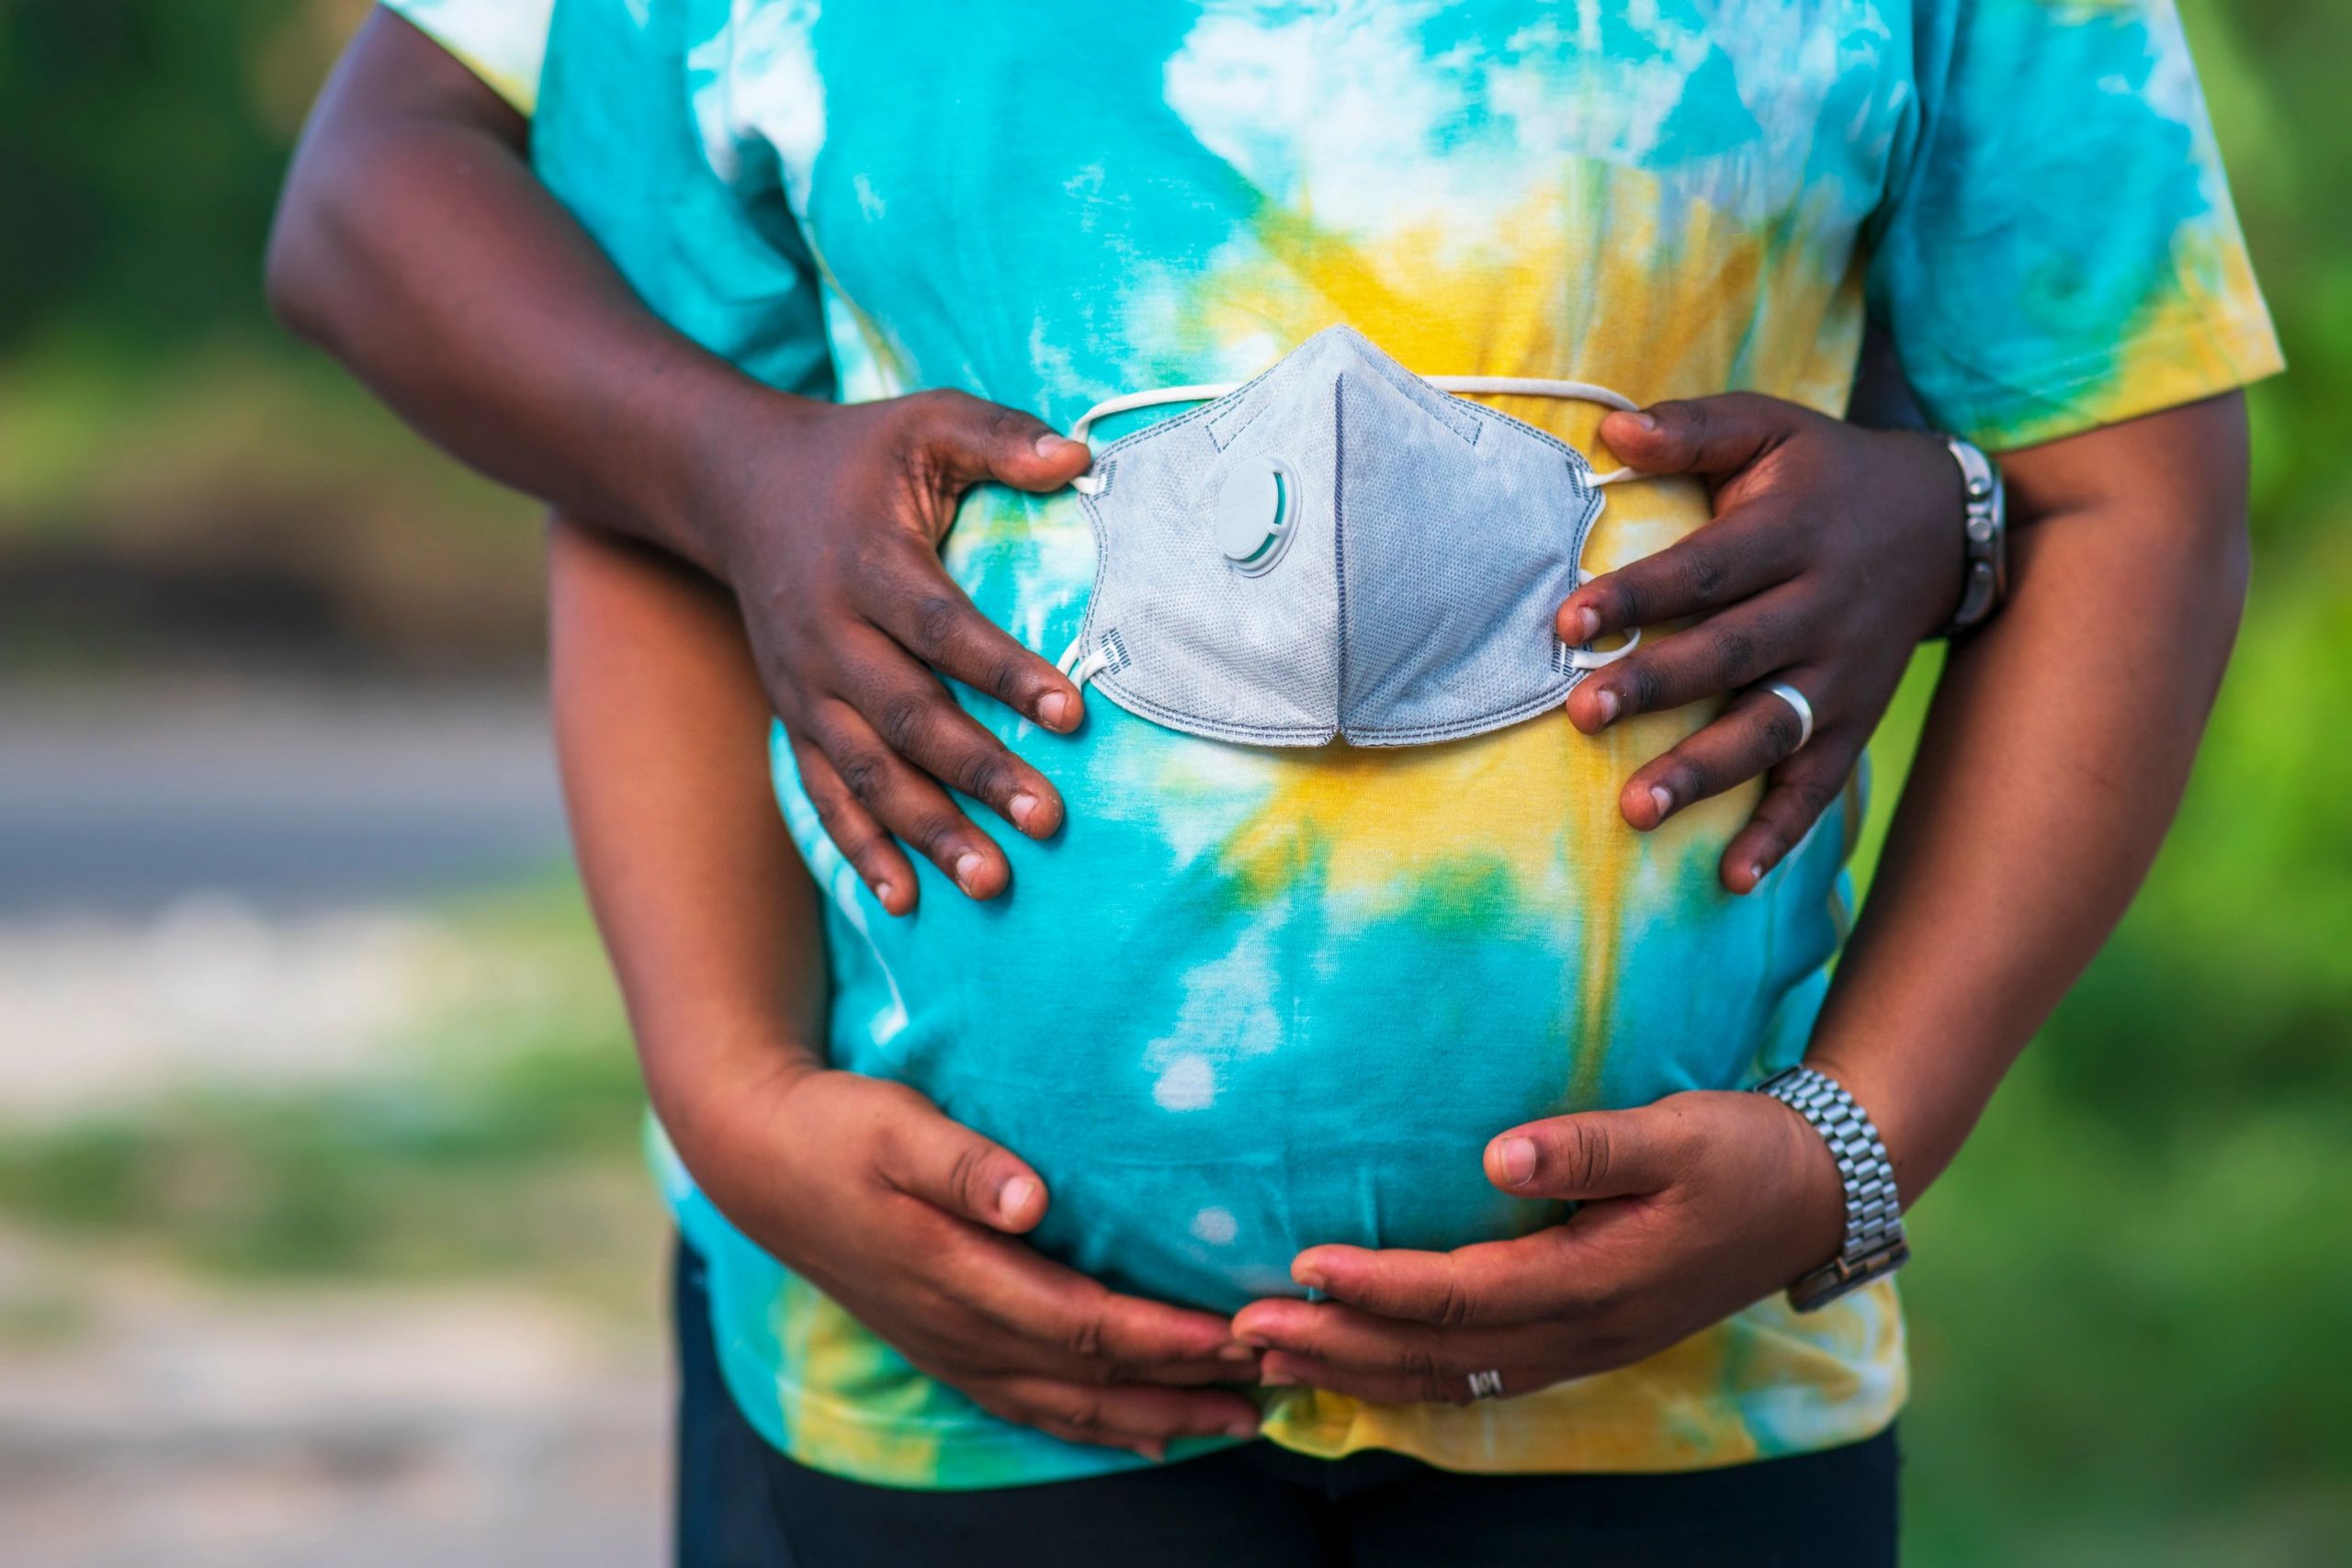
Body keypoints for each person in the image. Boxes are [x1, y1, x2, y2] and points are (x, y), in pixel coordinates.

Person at [266, 3, 2280, 1562]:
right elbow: (654, 496)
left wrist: (1853, 1147)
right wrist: (733, 1097)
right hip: (935, 1394)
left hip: (1679, 1396)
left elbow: (2126, 491)